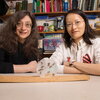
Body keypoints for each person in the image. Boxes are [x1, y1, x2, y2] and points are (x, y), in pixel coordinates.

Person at [50, 9, 100, 75]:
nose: (73, 27)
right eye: (69, 24)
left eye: (77, 22)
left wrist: (73, 63)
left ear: (85, 23)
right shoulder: (62, 46)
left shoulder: (97, 43)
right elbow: (49, 66)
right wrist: (89, 70)